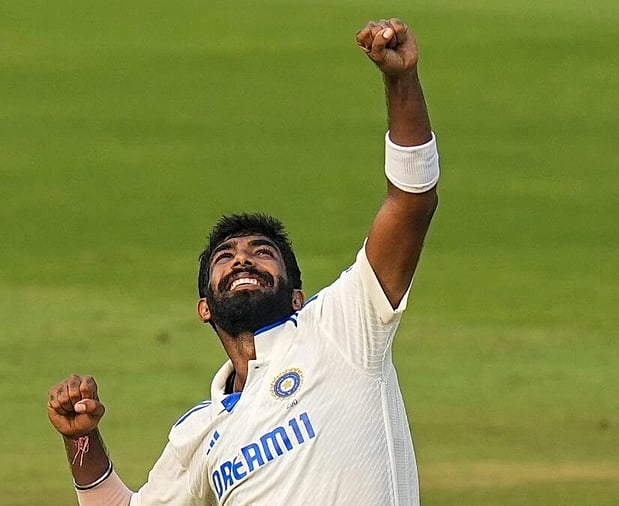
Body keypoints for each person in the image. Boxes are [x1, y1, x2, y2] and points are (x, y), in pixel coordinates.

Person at [46, 18, 439, 505]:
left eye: (262, 253)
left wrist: (400, 82)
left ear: (297, 295)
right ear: (204, 307)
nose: (242, 261)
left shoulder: (341, 329)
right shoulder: (200, 432)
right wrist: (80, 440)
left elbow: (410, 203)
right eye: (225, 257)